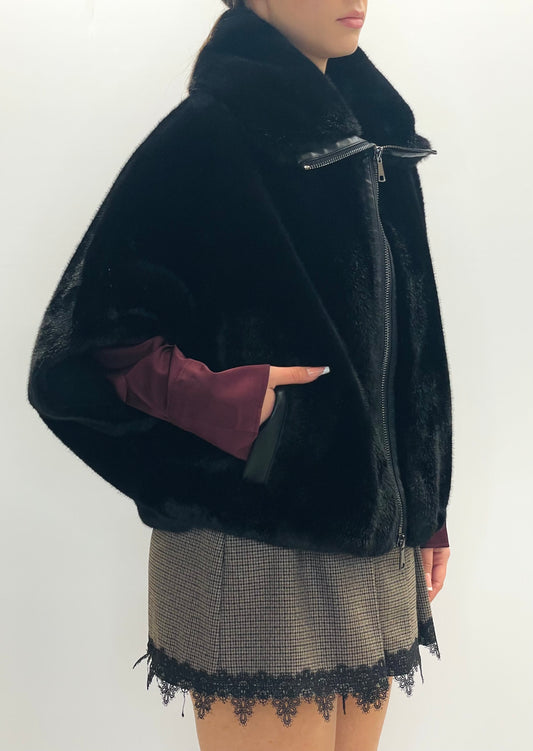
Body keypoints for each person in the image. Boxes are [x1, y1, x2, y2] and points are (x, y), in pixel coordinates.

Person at [26, 1, 453, 749]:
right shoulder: (207, 134)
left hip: (376, 542)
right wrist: (240, 410)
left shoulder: (378, 142)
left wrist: (426, 500)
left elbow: (414, 344)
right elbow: (88, 347)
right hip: (251, 536)